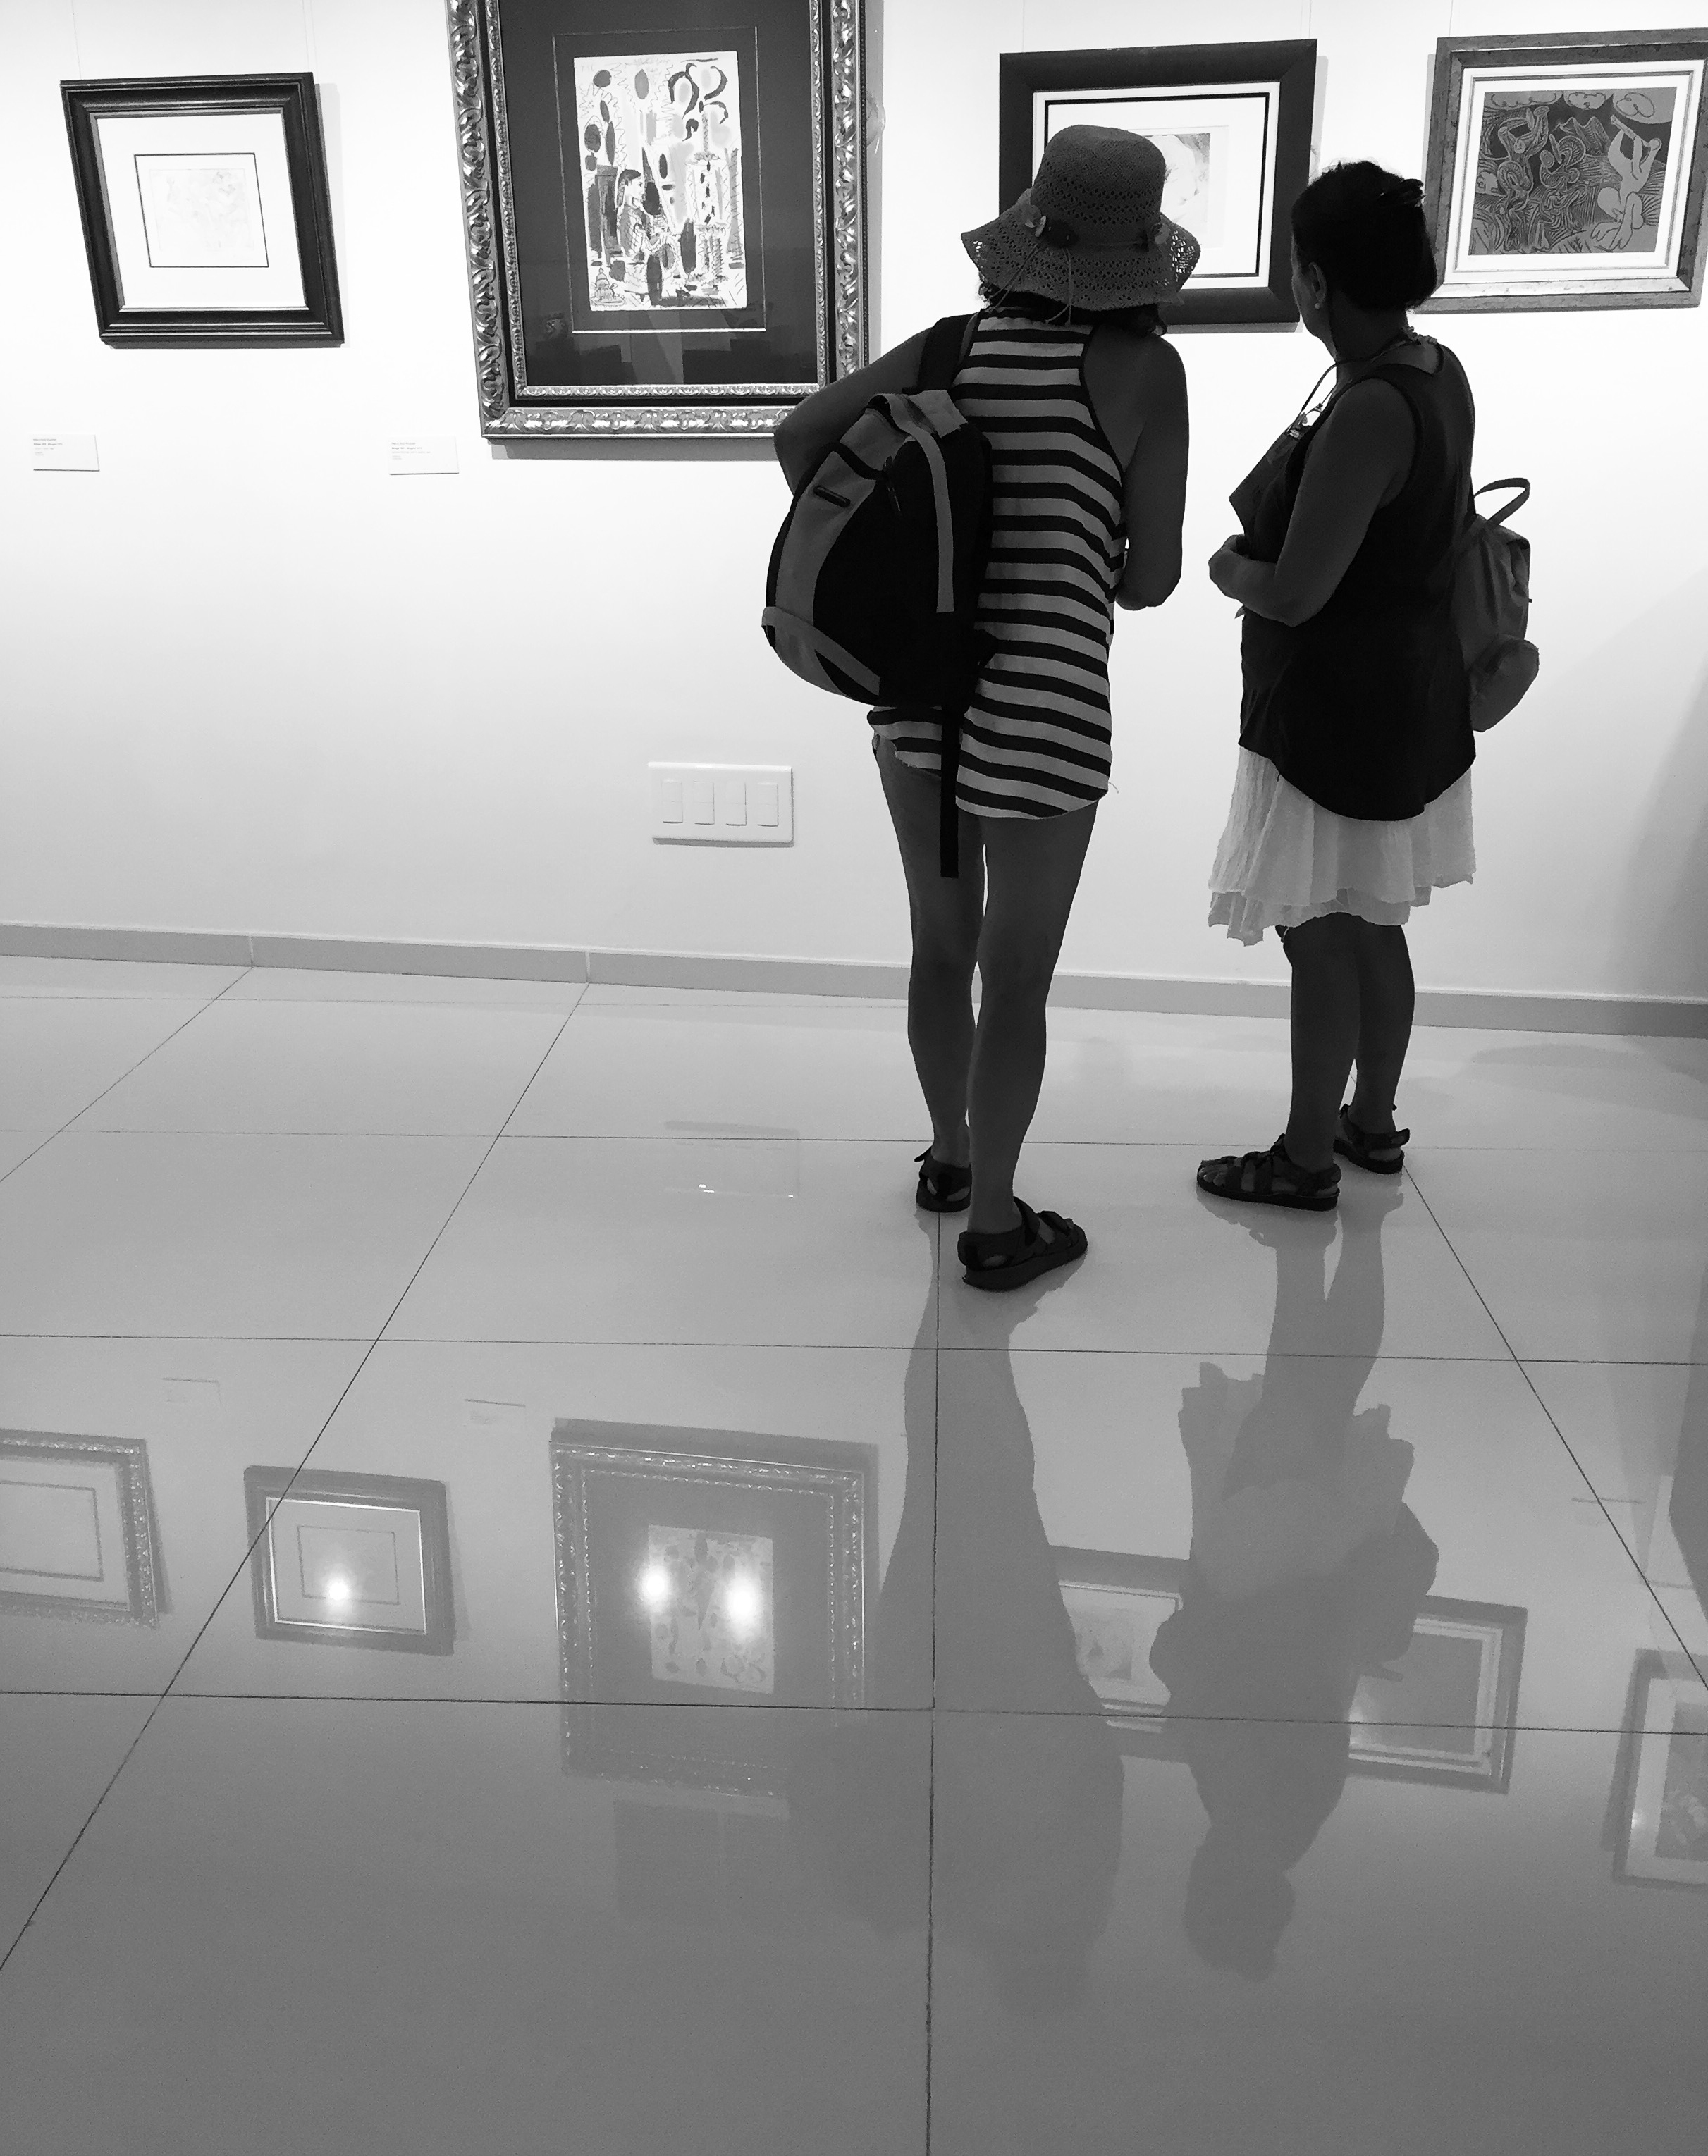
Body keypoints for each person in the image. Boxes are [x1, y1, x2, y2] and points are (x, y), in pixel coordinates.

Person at [775, 126, 1196, 1287]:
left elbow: (801, 435)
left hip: (923, 693)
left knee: (939, 943)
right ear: (1138, 259)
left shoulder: (946, 348)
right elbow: (1152, 579)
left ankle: (950, 1157)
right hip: (1049, 707)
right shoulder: (1146, 374)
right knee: (1017, 976)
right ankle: (998, 1222)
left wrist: (884, 537)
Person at [1197, 161, 1477, 1212]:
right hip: (1404, 696)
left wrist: (1229, 570)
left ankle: (1306, 1157)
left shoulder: (1368, 408)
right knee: (1373, 921)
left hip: (1335, 714)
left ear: (1314, 279)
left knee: (1318, 935)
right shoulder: (1434, 369)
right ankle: (1372, 1121)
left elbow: (1297, 592)